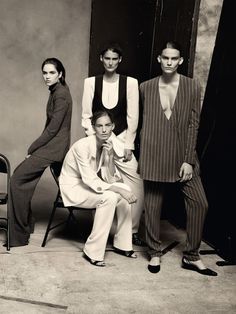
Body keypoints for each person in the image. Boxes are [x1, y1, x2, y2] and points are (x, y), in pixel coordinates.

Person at [138, 41, 217, 276]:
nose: (169, 62)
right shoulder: (145, 88)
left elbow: (194, 125)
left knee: (199, 203)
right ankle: (154, 253)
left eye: (174, 58)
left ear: (180, 61)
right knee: (152, 207)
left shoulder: (192, 87)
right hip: (153, 154)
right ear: (159, 60)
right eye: (165, 58)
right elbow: (138, 122)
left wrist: (188, 160)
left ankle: (192, 256)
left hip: (182, 156)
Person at [81, 43, 144, 246]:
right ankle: (104, 230)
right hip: (98, 142)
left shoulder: (131, 83)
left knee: (136, 184)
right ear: (101, 59)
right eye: (107, 58)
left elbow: (133, 116)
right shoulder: (91, 82)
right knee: (100, 184)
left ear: (119, 61)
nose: (110, 62)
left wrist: (128, 144)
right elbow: (86, 117)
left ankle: (132, 230)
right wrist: (98, 140)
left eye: (114, 59)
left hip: (123, 140)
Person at [59, 110, 137, 267]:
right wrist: (119, 191)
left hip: (87, 184)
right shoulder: (82, 146)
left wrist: (109, 158)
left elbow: (108, 178)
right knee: (110, 197)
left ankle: (123, 244)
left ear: (113, 126)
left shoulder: (107, 145)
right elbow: (90, 179)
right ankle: (92, 251)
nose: (104, 130)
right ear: (94, 128)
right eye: (99, 126)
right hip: (74, 187)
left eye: (107, 125)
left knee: (123, 186)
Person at [8, 58, 72, 247]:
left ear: (60, 74)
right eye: (44, 72)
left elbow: (53, 129)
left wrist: (32, 148)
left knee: (17, 180)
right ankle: (26, 225)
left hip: (54, 148)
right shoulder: (56, 91)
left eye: (51, 72)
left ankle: (20, 235)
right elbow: (50, 126)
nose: (47, 76)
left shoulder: (60, 94)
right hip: (51, 146)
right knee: (20, 178)